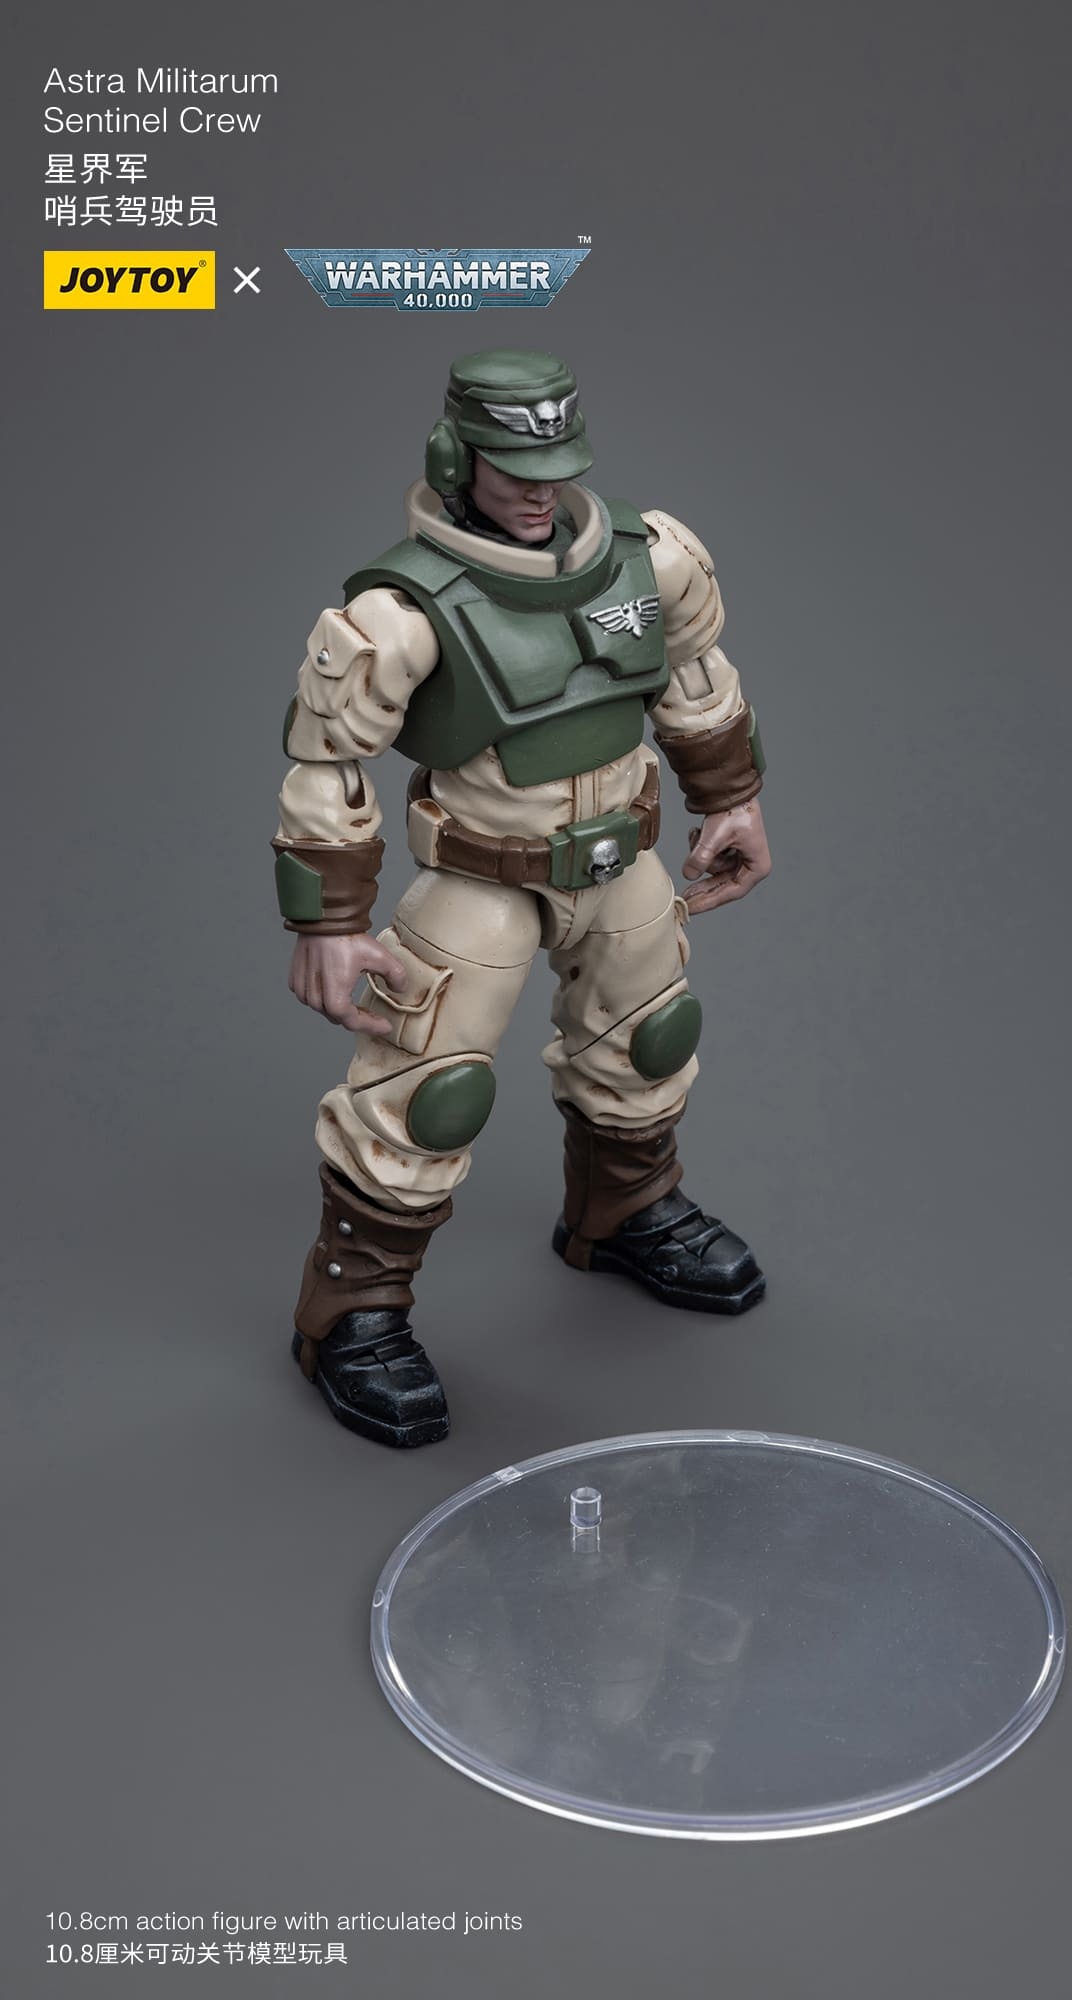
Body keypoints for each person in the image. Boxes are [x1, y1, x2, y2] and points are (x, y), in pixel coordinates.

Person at [275, 349, 771, 1447]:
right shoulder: (396, 614)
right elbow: (327, 766)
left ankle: (624, 1210)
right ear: (457, 460)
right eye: (513, 471)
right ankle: (350, 1311)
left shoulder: (651, 558)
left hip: (623, 862)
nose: (541, 493)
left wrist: (731, 799)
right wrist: (329, 923)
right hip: (481, 881)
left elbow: (695, 679)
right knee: (428, 1092)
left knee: (647, 1043)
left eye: (556, 468)